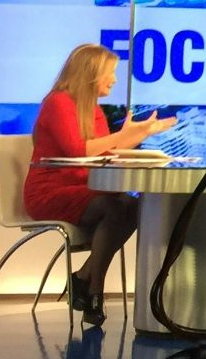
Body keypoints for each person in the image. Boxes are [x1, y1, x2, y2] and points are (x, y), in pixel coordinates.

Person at [24, 43, 175, 326]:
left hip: (84, 190)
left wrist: (140, 133)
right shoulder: (58, 102)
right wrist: (123, 135)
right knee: (114, 206)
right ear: (91, 73)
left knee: (133, 204)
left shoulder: (91, 108)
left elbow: (102, 152)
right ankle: (94, 290)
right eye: (111, 73)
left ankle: (84, 277)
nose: (115, 80)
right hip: (49, 193)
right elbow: (77, 150)